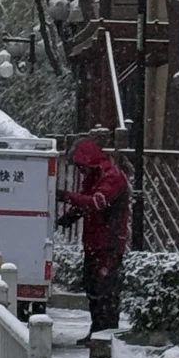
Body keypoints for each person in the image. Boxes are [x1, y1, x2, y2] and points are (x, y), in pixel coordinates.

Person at [59, 136, 130, 338]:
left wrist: (65, 196)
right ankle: (97, 331)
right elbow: (86, 201)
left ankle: (106, 334)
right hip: (94, 244)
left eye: (82, 167)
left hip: (109, 245)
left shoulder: (112, 177)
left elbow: (97, 202)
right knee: (92, 288)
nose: (81, 171)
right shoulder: (94, 177)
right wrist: (70, 216)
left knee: (105, 291)